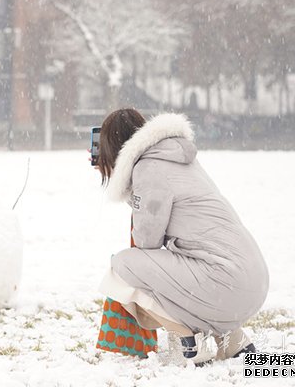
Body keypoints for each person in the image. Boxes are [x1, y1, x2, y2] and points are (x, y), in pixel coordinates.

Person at [96, 108, 268, 363]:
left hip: (224, 282)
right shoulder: (179, 158)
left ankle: (189, 339)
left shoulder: (148, 168)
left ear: (115, 148)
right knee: (184, 267)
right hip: (253, 282)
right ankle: (232, 340)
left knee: (122, 267)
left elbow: (146, 243)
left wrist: (131, 194)